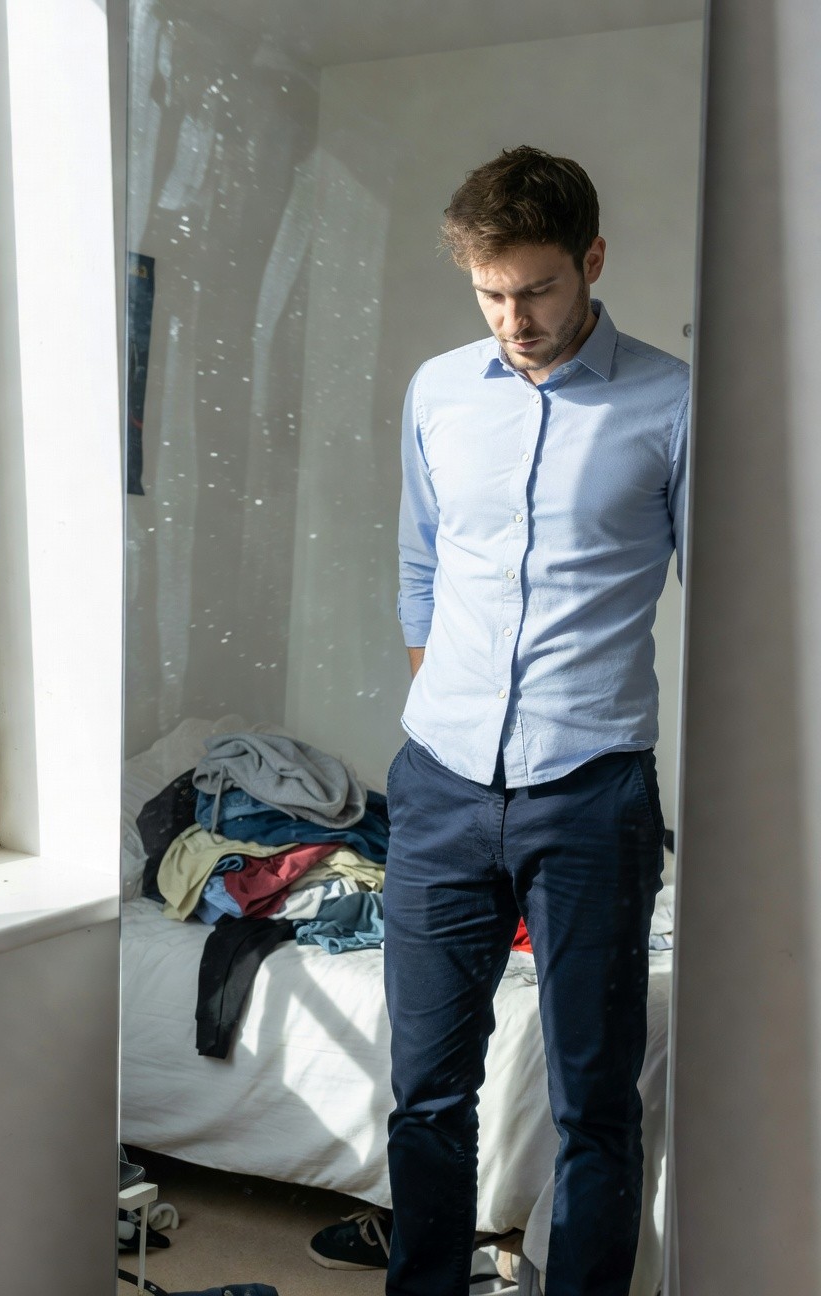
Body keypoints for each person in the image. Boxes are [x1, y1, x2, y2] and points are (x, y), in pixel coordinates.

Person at [380, 146, 687, 1296]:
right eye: (491, 293)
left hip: (595, 796)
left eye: (539, 289)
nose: (515, 317)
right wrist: (444, 698)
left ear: (593, 262)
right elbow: (419, 565)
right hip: (441, 788)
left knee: (595, 1104)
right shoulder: (437, 390)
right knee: (425, 1094)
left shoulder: (671, 400)